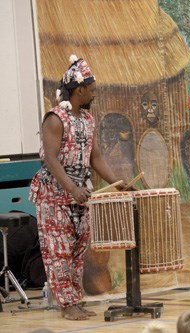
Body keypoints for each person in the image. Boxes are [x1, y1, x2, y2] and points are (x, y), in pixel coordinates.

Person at [29, 55, 126, 320]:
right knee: (58, 249)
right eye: (91, 89)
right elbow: (49, 158)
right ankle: (66, 303)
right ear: (79, 89)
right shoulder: (55, 118)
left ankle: (74, 299)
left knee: (78, 248)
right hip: (54, 194)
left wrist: (116, 182)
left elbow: (95, 158)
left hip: (80, 193)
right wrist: (72, 188)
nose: (94, 93)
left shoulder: (88, 119)